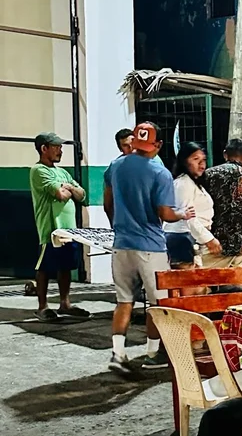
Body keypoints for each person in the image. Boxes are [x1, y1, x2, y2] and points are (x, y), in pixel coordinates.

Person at [103, 122, 194, 374]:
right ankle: (153, 354)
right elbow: (164, 213)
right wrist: (182, 213)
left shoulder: (116, 166)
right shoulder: (160, 172)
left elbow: (107, 204)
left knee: (123, 301)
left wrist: (119, 227)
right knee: (158, 304)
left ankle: (118, 353)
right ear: (158, 145)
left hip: (121, 245)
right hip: (150, 247)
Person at [29, 132, 88, 322]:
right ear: (44, 149)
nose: (60, 151)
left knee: (66, 267)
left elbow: (82, 194)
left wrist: (68, 187)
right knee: (45, 268)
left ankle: (65, 303)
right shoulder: (39, 171)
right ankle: (42, 306)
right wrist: (69, 188)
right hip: (50, 229)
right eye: (56, 147)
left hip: (68, 230)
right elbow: (60, 194)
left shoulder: (62, 172)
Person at [203, 137, 242, 266]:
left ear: (225, 154)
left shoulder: (208, 175)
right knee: (240, 285)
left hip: (214, 242)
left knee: (206, 282)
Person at [164, 141, 222, 267]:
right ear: (184, 161)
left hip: (192, 239)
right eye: (196, 159)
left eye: (204, 160)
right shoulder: (183, 183)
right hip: (182, 239)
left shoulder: (195, 183)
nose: (201, 164)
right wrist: (209, 240)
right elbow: (189, 218)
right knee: (189, 284)